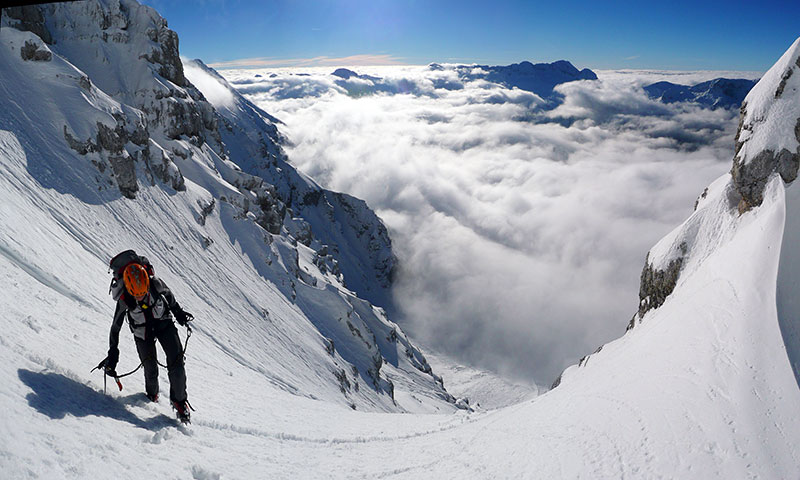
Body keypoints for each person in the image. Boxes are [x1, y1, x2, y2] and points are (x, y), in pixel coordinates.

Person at [101, 262, 194, 423]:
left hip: (163, 322)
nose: (140, 297)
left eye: (143, 293)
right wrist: (113, 354)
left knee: (177, 362)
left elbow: (169, 296)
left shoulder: (155, 283)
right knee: (150, 368)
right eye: (136, 295)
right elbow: (115, 327)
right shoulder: (124, 299)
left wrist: (178, 313)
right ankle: (152, 395)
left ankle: (179, 402)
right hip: (142, 331)